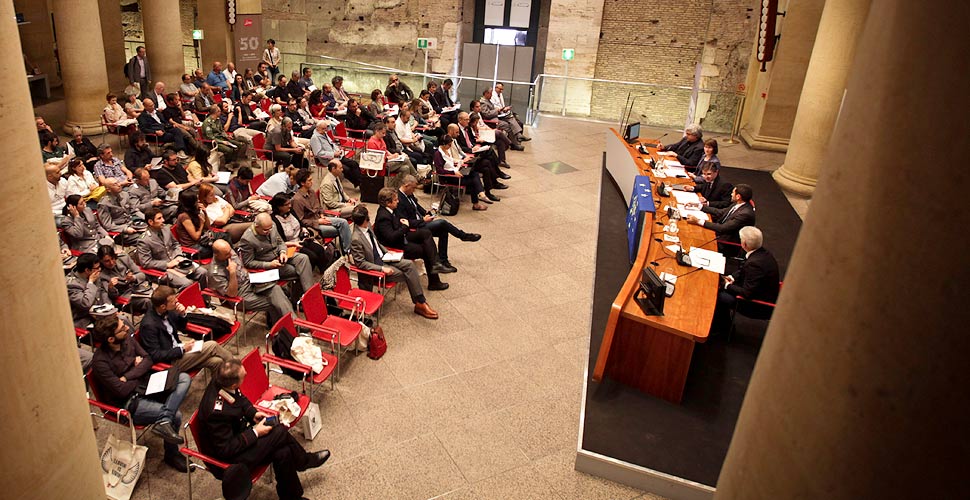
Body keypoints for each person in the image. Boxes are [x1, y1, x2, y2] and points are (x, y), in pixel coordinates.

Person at [197, 359, 330, 500]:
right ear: (233, 384)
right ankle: (303, 461)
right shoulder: (215, 412)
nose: (246, 374)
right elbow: (225, 449)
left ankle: (292, 497)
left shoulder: (222, 380)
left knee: (282, 451)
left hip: (238, 438)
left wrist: (253, 413)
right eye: (244, 376)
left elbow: (239, 398)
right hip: (230, 460)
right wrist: (256, 432)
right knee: (279, 431)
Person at [89, 315, 191, 472]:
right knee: (176, 416)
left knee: (183, 378)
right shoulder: (100, 362)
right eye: (122, 329)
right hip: (129, 401)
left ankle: (164, 420)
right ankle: (171, 454)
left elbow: (148, 359)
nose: (127, 328)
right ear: (111, 339)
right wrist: (137, 368)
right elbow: (121, 390)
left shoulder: (127, 340)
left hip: (146, 383)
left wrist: (127, 376)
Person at [350, 205, 439, 319]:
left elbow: (376, 243)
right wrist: (382, 268)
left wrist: (387, 251)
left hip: (384, 257)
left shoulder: (367, 227)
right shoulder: (356, 239)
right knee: (407, 274)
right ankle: (420, 303)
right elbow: (361, 263)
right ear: (365, 219)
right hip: (377, 266)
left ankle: (420, 302)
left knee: (410, 265)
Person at [139, 285, 234, 374]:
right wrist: (182, 349)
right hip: (171, 361)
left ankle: (219, 385)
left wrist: (182, 314)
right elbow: (155, 355)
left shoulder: (167, 311)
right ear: (163, 306)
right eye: (173, 301)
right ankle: (237, 369)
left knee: (217, 362)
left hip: (178, 348)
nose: (177, 301)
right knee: (212, 345)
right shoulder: (149, 325)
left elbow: (183, 327)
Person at [394, 175, 480, 271]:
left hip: (420, 222)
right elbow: (405, 221)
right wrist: (423, 220)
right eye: (413, 188)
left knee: (443, 231)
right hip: (414, 228)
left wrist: (426, 212)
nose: (414, 190)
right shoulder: (399, 200)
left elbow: (416, 206)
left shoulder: (408, 194)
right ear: (406, 186)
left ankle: (443, 260)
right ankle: (462, 236)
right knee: (442, 223)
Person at [374, 187, 450, 289]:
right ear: (388, 203)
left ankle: (435, 265)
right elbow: (391, 238)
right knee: (426, 250)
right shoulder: (383, 217)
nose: (398, 201)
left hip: (402, 235)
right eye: (395, 200)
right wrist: (405, 227)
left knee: (426, 233)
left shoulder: (392, 209)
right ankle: (434, 281)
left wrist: (415, 223)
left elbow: (403, 222)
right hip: (394, 245)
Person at [712, 226, 780, 333]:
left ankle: (722, 329)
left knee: (718, 295)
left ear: (743, 244)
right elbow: (743, 270)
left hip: (757, 304)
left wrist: (727, 285)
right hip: (757, 291)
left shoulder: (755, 264)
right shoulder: (761, 253)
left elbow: (747, 293)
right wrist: (732, 277)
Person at [236, 213, 315, 303]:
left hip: (280, 256)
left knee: (304, 258)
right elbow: (248, 262)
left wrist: (283, 252)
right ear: (256, 226)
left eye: (270, 228)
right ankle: (303, 300)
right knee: (299, 271)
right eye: (266, 230)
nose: (269, 231)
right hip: (268, 265)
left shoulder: (272, 225)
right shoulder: (247, 239)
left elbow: (280, 242)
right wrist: (269, 264)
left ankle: (310, 296)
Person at [137, 207, 210, 289]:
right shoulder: (144, 240)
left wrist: (178, 256)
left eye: (162, 217)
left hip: (177, 262)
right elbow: (146, 263)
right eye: (159, 218)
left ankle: (203, 296)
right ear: (151, 222)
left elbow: (175, 244)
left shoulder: (166, 229)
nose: (163, 220)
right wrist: (167, 264)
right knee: (187, 284)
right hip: (162, 270)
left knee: (202, 272)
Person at [289, 170, 352, 254]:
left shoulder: (311, 192)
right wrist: (318, 221)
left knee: (344, 222)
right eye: (309, 180)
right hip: (313, 226)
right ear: (302, 183)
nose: (312, 182)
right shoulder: (297, 200)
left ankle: (347, 251)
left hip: (320, 217)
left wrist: (321, 214)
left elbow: (319, 207)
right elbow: (300, 221)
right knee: (340, 230)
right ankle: (346, 252)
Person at [269, 193, 333, 273]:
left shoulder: (291, 211)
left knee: (319, 249)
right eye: (286, 204)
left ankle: (325, 273)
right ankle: (307, 273)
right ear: (279, 207)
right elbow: (280, 241)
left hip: (301, 239)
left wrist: (304, 229)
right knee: (312, 256)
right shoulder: (274, 220)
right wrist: (294, 244)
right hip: (290, 245)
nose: (290, 206)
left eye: (289, 203)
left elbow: (300, 223)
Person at [687, 184, 756, 250]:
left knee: (692, 238)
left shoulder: (745, 214)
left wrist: (698, 221)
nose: (731, 194)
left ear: (738, 196)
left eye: (733, 193)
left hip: (725, 243)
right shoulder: (739, 204)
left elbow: (723, 228)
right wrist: (699, 206)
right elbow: (721, 212)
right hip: (719, 231)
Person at [434, 136, 487, 210]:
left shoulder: (446, 150)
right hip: (448, 177)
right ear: (443, 144)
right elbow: (440, 171)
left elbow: (451, 161)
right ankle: (478, 200)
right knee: (473, 181)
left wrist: (461, 161)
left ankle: (481, 194)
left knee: (474, 173)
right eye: (449, 145)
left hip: (455, 172)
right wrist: (453, 173)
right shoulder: (438, 154)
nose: (450, 146)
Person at [97, 245, 150, 314]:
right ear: (101, 261)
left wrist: (133, 278)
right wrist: (111, 288)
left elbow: (142, 275)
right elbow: (111, 297)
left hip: (139, 289)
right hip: (124, 297)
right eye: (107, 261)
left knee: (160, 296)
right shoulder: (101, 275)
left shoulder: (124, 258)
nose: (111, 262)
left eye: (113, 258)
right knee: (149, 301)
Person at [175, 190, 226, 259]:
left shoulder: (194, 210)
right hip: (193, 247)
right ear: (191, 202)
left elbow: (207, 227)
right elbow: (196, 237)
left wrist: (205, 213)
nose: (199, 201)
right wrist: (201, 224)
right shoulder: (184, 216)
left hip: (202, 240)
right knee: (220, 249)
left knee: (225, 236)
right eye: (196, 200)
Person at [308, 121, 361, 187]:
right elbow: (318, 153)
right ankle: (359, 183)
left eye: (326, 128)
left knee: (354, 164)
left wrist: (338, 150)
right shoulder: (315, 138)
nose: (325, 130)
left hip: (337, 156)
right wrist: (333, 154)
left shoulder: (324, 133)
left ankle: (361, 181)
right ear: (317, 128)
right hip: (328, 159)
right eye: (323, 129)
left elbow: (332, 144)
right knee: (346, 169)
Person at [66, 253, 113, 328]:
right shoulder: (71, 285)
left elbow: (102, 293)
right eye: (97, 268)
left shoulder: (94, 275)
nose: (99, 269)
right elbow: (85, 303)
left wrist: (111, 310)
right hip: (84, 320)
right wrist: (90, 283)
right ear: (87, 270)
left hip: (100, 313)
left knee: (122, 320)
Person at [366, 122, 418, 188]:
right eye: (383, 133)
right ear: (377, 131)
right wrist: (392, 157)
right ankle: (417, 177)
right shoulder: (372, 143)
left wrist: (393, 155)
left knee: (405, 168)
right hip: (381, 165)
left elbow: (385, 150)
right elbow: (378, 159)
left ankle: (401, 188)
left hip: (388, 161)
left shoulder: (380, 139)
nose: (384, 135)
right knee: (406, 160)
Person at [97, 179, 144, 246]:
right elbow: (108, 226)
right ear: (108, 189)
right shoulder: (104, 204)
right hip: (121, 232)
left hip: (134, 224)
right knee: (145, 240)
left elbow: (134, 211)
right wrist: (125, 229)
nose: (119, 185)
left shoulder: (125, 194)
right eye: (115, 184)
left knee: (155, 231)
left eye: (118, 182)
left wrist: (146, 218)